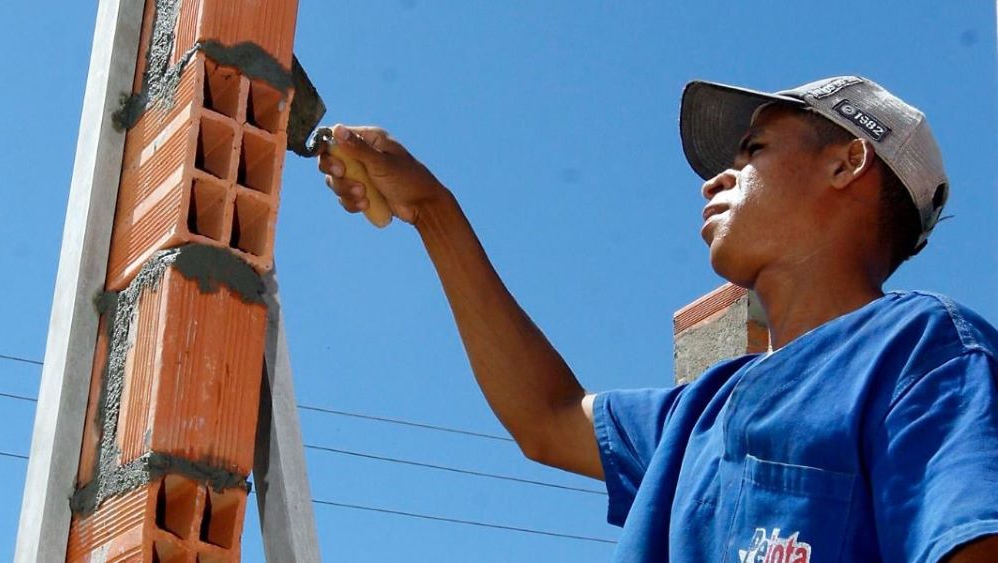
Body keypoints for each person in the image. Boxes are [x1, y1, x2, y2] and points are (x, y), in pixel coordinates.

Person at [316, 76, 998, 562]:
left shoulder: (924, 352)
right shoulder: (697, 413)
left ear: (849, 161)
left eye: (753, 152)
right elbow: (546, 417)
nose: (715, 180)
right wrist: (434, 210)